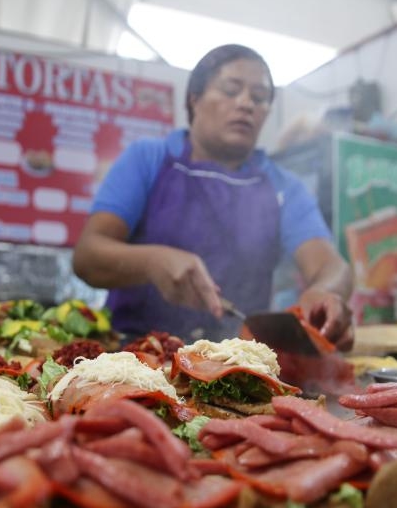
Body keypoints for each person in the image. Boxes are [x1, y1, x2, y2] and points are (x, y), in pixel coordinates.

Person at [73, 44, 354, 348]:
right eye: (231, 90)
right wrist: (152, 261)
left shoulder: (285, 187)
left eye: (259, 98)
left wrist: (326, 291)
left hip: (236, 358)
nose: (246, 104)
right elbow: (88, 255)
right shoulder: (149, 159)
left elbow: (332, 266)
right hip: (134, 355)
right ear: (195, 99)